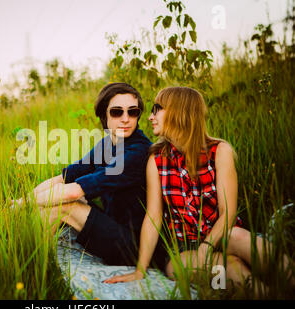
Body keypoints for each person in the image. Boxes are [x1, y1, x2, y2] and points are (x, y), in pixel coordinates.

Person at [103, 86, 294, 290]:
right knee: (228, 267)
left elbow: (228, 213)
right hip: (184, 249)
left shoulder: (220, 151)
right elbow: (154, 217)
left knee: (238, 236)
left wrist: (208, 246)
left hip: (223, 235)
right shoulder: (156, 160)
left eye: (157, 109)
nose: (150, 117)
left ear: (179, 112)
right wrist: (140, 270)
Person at [13, 82, 152, 266]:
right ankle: (27, 255)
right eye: (117, 112)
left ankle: (33, 265)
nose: (126, 118)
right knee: (53, 198)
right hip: (113, 226)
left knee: (63, 206)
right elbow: (64, 178)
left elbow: (74, 192)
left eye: (132, 112)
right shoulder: (107, 143)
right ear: (104, 115)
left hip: (135, 246)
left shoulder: (138, 151)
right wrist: (23, 201)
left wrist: (22, 204)